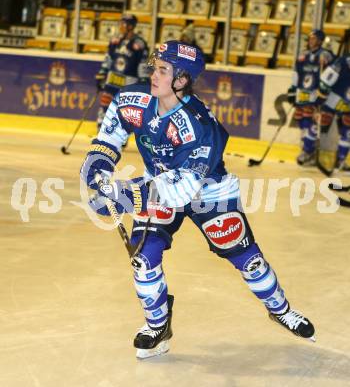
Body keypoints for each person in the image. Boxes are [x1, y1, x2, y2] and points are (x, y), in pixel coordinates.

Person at [81, 40, 315, 359]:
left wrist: (122, 194)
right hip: (157, 182)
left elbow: (180, 190)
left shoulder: (201, 126)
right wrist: (99, 166)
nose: (154, 73)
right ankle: (158, 326)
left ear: (181, 80)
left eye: (163, 69)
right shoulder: (131, 98)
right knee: (143, 259)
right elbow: (109, 136)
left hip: (208, 190)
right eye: (155, 66)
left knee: (249, 259)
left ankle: (281, 309)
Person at [287, 29, 334, 166]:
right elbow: (297, 73)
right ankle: (307, 150)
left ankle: (308, 150)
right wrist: (292, 89)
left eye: (314, 38)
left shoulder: (325, 55)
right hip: (302, 93)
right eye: (310, 38)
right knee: (302, 121)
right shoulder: (303, 55)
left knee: (312, 122)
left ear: (320, 40)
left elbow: (330, 74)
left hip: (315, 94)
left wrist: (324, 90)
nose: (311, 41)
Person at [95, 13, 149, 131]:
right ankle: (101, 130)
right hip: (112, 79)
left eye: (123, 23)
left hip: (129, 82)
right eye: (120, 23)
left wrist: (143, 81)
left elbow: (143, 64)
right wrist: (102, 73)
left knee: (125, 110)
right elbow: (108, 58)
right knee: (105, 105)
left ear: (130, 26)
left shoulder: (139, 44)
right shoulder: (115, 41)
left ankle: (120, 135)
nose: (120, 26)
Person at [316, 54, 350, 171]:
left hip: (345, 101)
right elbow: (326, 79)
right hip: (334, 99)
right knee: (323, 125)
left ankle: (340, 160)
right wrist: (322, 93)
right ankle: (314, 153)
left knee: (348, 131)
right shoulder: (341, 61)